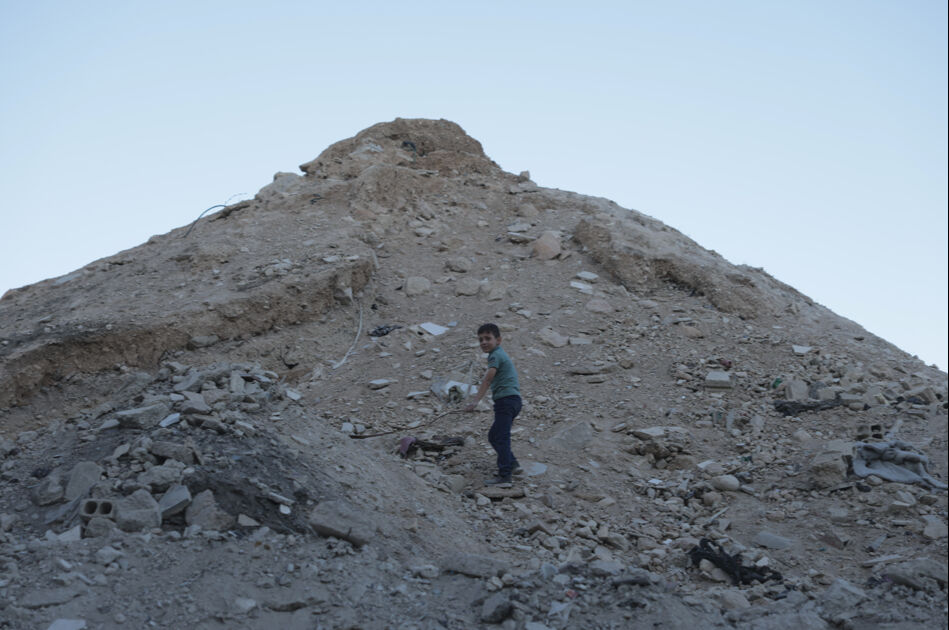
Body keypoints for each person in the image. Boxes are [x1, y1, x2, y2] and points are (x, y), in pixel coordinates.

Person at [464, 323, 522, 488]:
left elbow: (488, 379)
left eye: (487, 338)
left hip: (506, 401)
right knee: (494, 436)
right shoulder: (499, 354)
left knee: (501, 438)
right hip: (512, 401)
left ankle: (505, 476)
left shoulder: (495, 355)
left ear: (499, 340)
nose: (483, 342)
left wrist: (475, 401)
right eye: (480, 339)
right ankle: (512, 463)